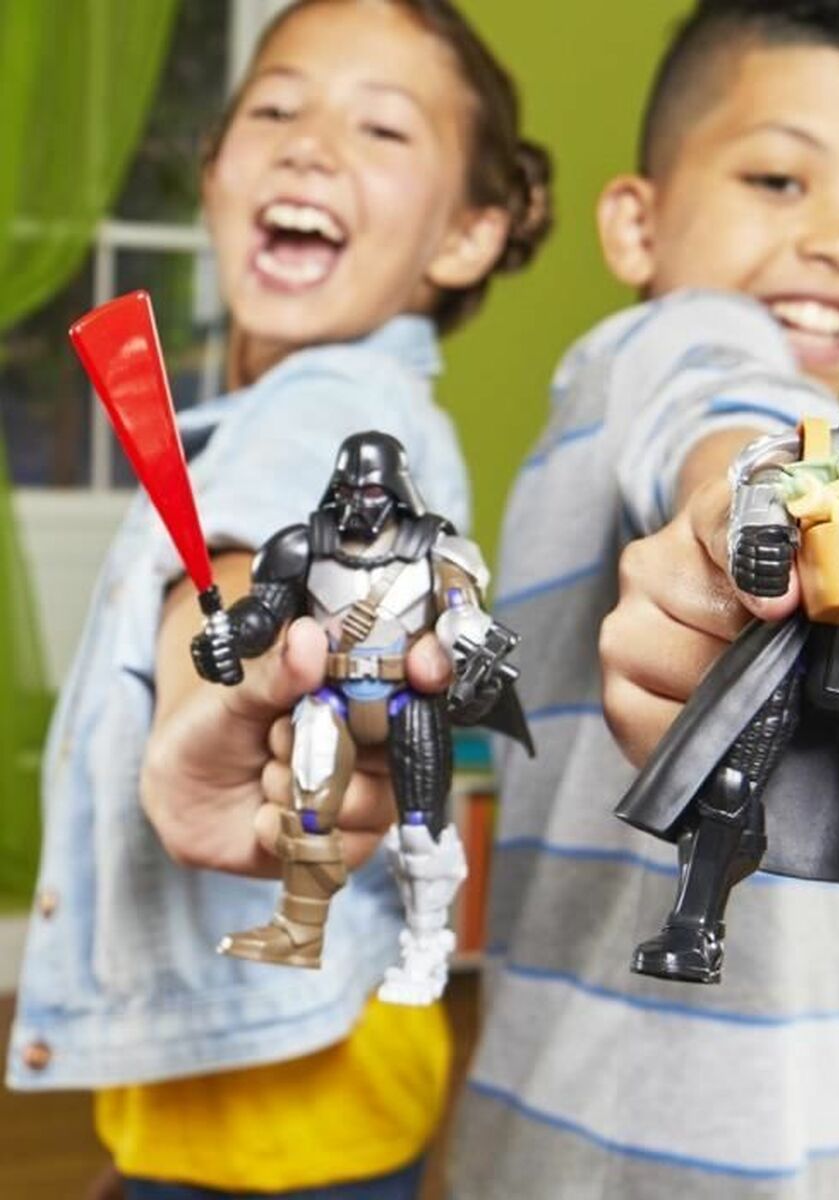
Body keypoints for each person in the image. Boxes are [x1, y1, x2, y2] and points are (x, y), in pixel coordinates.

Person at [6, 2, 550, 1198]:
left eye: (382, 129)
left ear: (467, 234)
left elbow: (258, 562)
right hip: (282, 1089)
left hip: (285, 1117)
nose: (311, 144)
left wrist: (231, 678)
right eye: (277, 108)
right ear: (215, 170)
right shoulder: (292, 406)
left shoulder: (336, 402)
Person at [451, 2, 839, 1197]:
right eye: (780, 178)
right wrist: (750, 499)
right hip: (610, 1148)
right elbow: (719, 397)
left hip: (772, 1121)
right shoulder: (662, 342)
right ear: (636, 225)